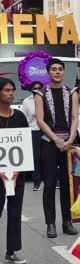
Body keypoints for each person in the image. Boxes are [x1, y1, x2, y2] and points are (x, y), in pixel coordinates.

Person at [33, 58, 79, 238]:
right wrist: (56, 139)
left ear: (64, 72)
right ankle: (50, 224)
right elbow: (40, 120)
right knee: (50, 184)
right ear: (48, 72)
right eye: (54, 69)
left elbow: (75, 117)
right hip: (48, 142)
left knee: (68, 184)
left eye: (60, 69)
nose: (58, 72)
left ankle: (67, 222)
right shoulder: (40, 94)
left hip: (69, 141)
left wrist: (70, 138)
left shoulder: (72, 92)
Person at [0, 77, 28, 264]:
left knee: (15, 212)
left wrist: (18, 170)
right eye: (7, 90)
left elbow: (24, 146)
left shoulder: (19, 117)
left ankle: (11, 252)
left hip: (17, 175)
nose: (11, 94)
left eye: (13, 90)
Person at [21, 81, 43, 191]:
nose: (37, 90)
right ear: (31, 89)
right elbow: (24, 118)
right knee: (36, 157)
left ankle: (55, 180)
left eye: (39, 88)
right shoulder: (26, 102)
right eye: (35, 88)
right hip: (33, 131)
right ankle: (36, 182)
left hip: (46, 131)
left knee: (49, 156)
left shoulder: (46, 99)